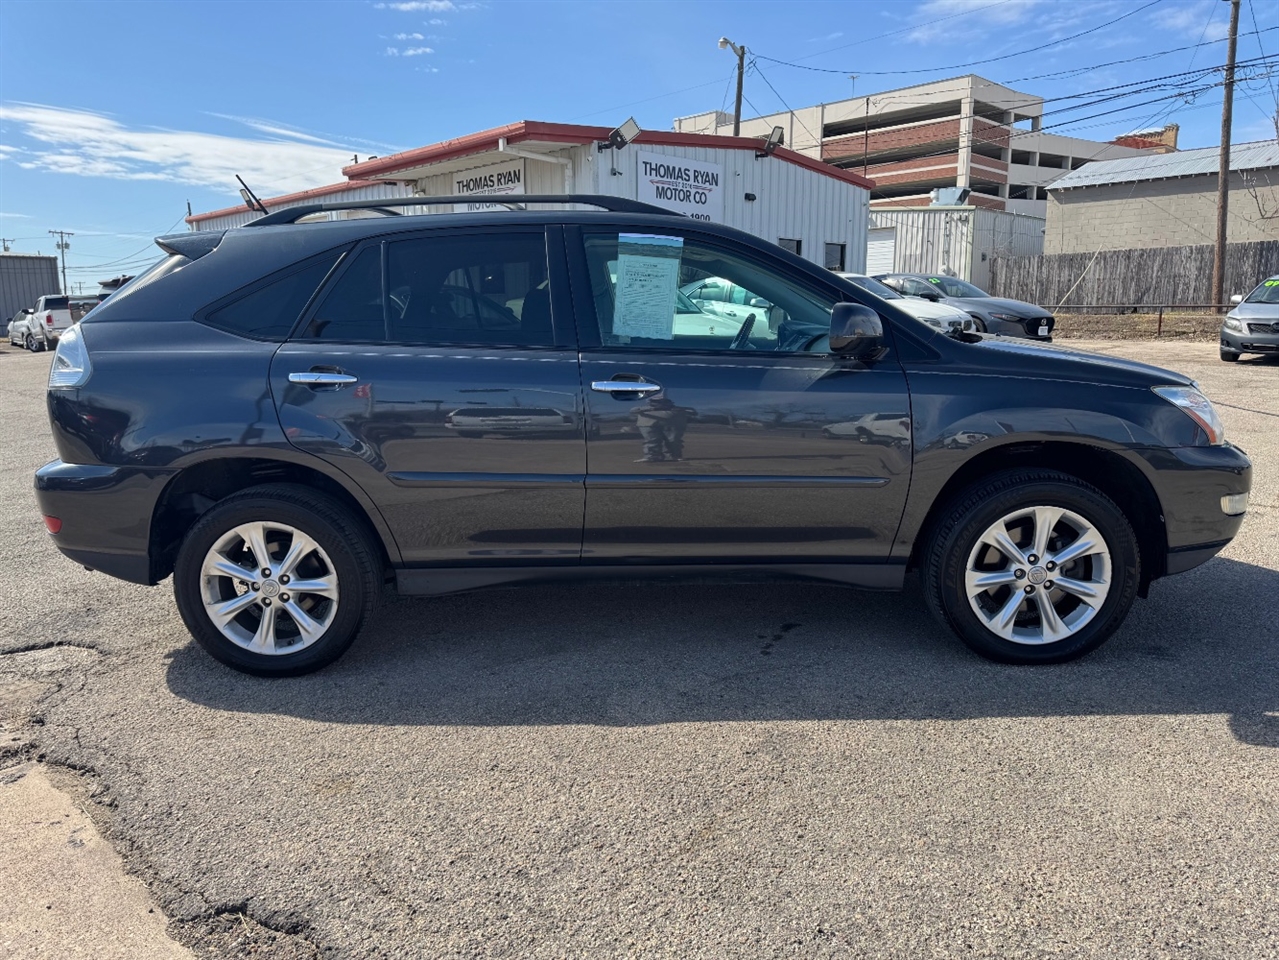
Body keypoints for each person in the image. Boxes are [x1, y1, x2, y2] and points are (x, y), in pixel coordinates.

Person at [634, 391, 690, 462]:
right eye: (656, 401)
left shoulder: (674, 408)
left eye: (662, 401)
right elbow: (633, 410)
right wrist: (651, 409)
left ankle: (674, 455)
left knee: (673, 440)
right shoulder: (643, 408)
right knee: (651, 440)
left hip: (672, 424)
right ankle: (651, 456)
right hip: (647, 424)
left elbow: (691, 411)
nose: (659, 403)